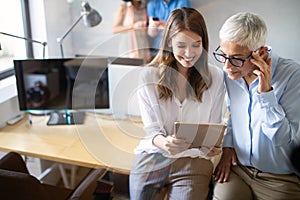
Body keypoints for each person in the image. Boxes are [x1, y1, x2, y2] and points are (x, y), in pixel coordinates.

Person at [130, 7, 225, 199]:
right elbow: (152, 131)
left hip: (194, 159)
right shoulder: (149, 76)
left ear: (204, 44)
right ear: (169, 43)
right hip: (153, 156)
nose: (189, 53)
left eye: (196, 45)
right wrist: (165, 143)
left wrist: (214, 145)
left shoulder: (215, 76)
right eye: (181, 45)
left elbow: (213, 127)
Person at [212, 12, 300, 200]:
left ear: (260, 53)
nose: (227, 66)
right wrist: (228, 146)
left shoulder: (293, 76)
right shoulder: (233, 74)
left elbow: (285, 141)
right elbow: (233, 117)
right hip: (239, 170)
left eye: (235, 58)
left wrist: (266, 93)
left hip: (279, 178)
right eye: (223, 55)